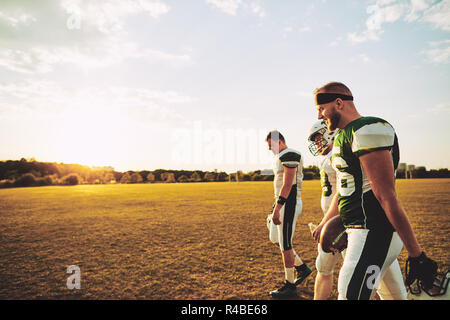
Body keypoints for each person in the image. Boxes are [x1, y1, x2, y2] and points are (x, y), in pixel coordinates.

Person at [311, 81, 437, 300]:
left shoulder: (369, 128)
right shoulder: (342, 137)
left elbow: (386, 196)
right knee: (395, 297)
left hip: (374, 232)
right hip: (359, 231)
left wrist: (416, 254)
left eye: (321, 109)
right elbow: (344, 189)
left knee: (350, 295)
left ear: (339, 103)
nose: (320, 116)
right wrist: (324, 223)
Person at [266, 130, 312, 298]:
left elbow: (288, 185)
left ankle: (290, 286)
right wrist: (275, 207)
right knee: (275, 239)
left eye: (271, 145)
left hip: (289, 204)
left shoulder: (290, 154)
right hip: (282, 203)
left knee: (285, 243)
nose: (270, 149)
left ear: (280, 141)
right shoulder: (282, 156)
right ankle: (301, 268)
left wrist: (278, 208)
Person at [307, 120, 342, 300]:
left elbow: (343, 192)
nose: (316, 143)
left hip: (343, 222)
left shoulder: (339, 155)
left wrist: (324, 224)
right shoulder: (328, 158)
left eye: (318, 138)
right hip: (331, 222)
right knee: (323, 267)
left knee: (364, 274)